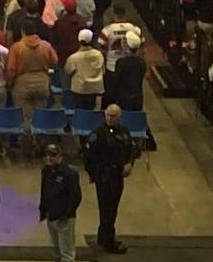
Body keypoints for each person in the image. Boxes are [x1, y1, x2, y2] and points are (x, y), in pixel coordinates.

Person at [83, 103, 139, 254]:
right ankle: (109, 240)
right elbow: (87, 154)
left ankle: (104, 236)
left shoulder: (124, 131)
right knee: (106, 208)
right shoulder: (98, 134)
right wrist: (94, 174)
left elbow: (132, 149)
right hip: (104, 176)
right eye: (108, 115)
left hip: (118, 174)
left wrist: (129, 163)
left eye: (114, 116)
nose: (110, 118)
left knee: (113, 208)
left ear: (119, 117)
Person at [39, 145, 83, 262]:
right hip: (51, 215)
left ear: (60, 156)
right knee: (56, 250)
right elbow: (44, 191)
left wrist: (67, 213)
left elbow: (76, 196)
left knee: (67, 253)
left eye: (53, 155)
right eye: (47, 155)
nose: (49, 158)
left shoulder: (70, 174)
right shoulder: (46, 171)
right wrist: (43, 210)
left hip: (64, 218)